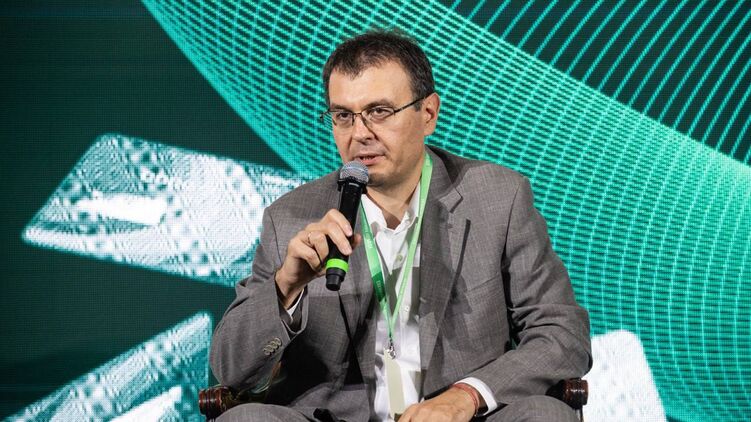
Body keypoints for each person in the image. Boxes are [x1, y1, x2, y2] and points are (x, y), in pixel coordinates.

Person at [210, 29, 592, 422]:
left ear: (428, 114)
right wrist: (286, 286)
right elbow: (232, 371)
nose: (360, 133)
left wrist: (466, 396)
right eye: (343, 116)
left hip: (460, 417)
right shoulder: (290, 217)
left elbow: (561, 334)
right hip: (336, 418)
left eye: (379, 111)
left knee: (544, 415)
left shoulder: (498, 199)